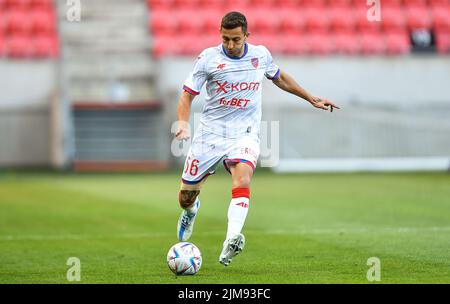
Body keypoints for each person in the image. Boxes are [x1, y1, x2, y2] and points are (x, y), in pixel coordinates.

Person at [174, 11, 339, 266]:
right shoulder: (208, 59)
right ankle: (191, 209)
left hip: (245, 133)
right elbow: (187, 96)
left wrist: (310, 97)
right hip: (210, 134)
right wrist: (183, 124)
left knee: (243, 177)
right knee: (186, 197)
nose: (230, 45)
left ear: (246, 36)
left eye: (236, 40)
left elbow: (280, 77)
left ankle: (231, 239)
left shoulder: (260, 55)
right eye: (226, 39)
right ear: (220, 34)